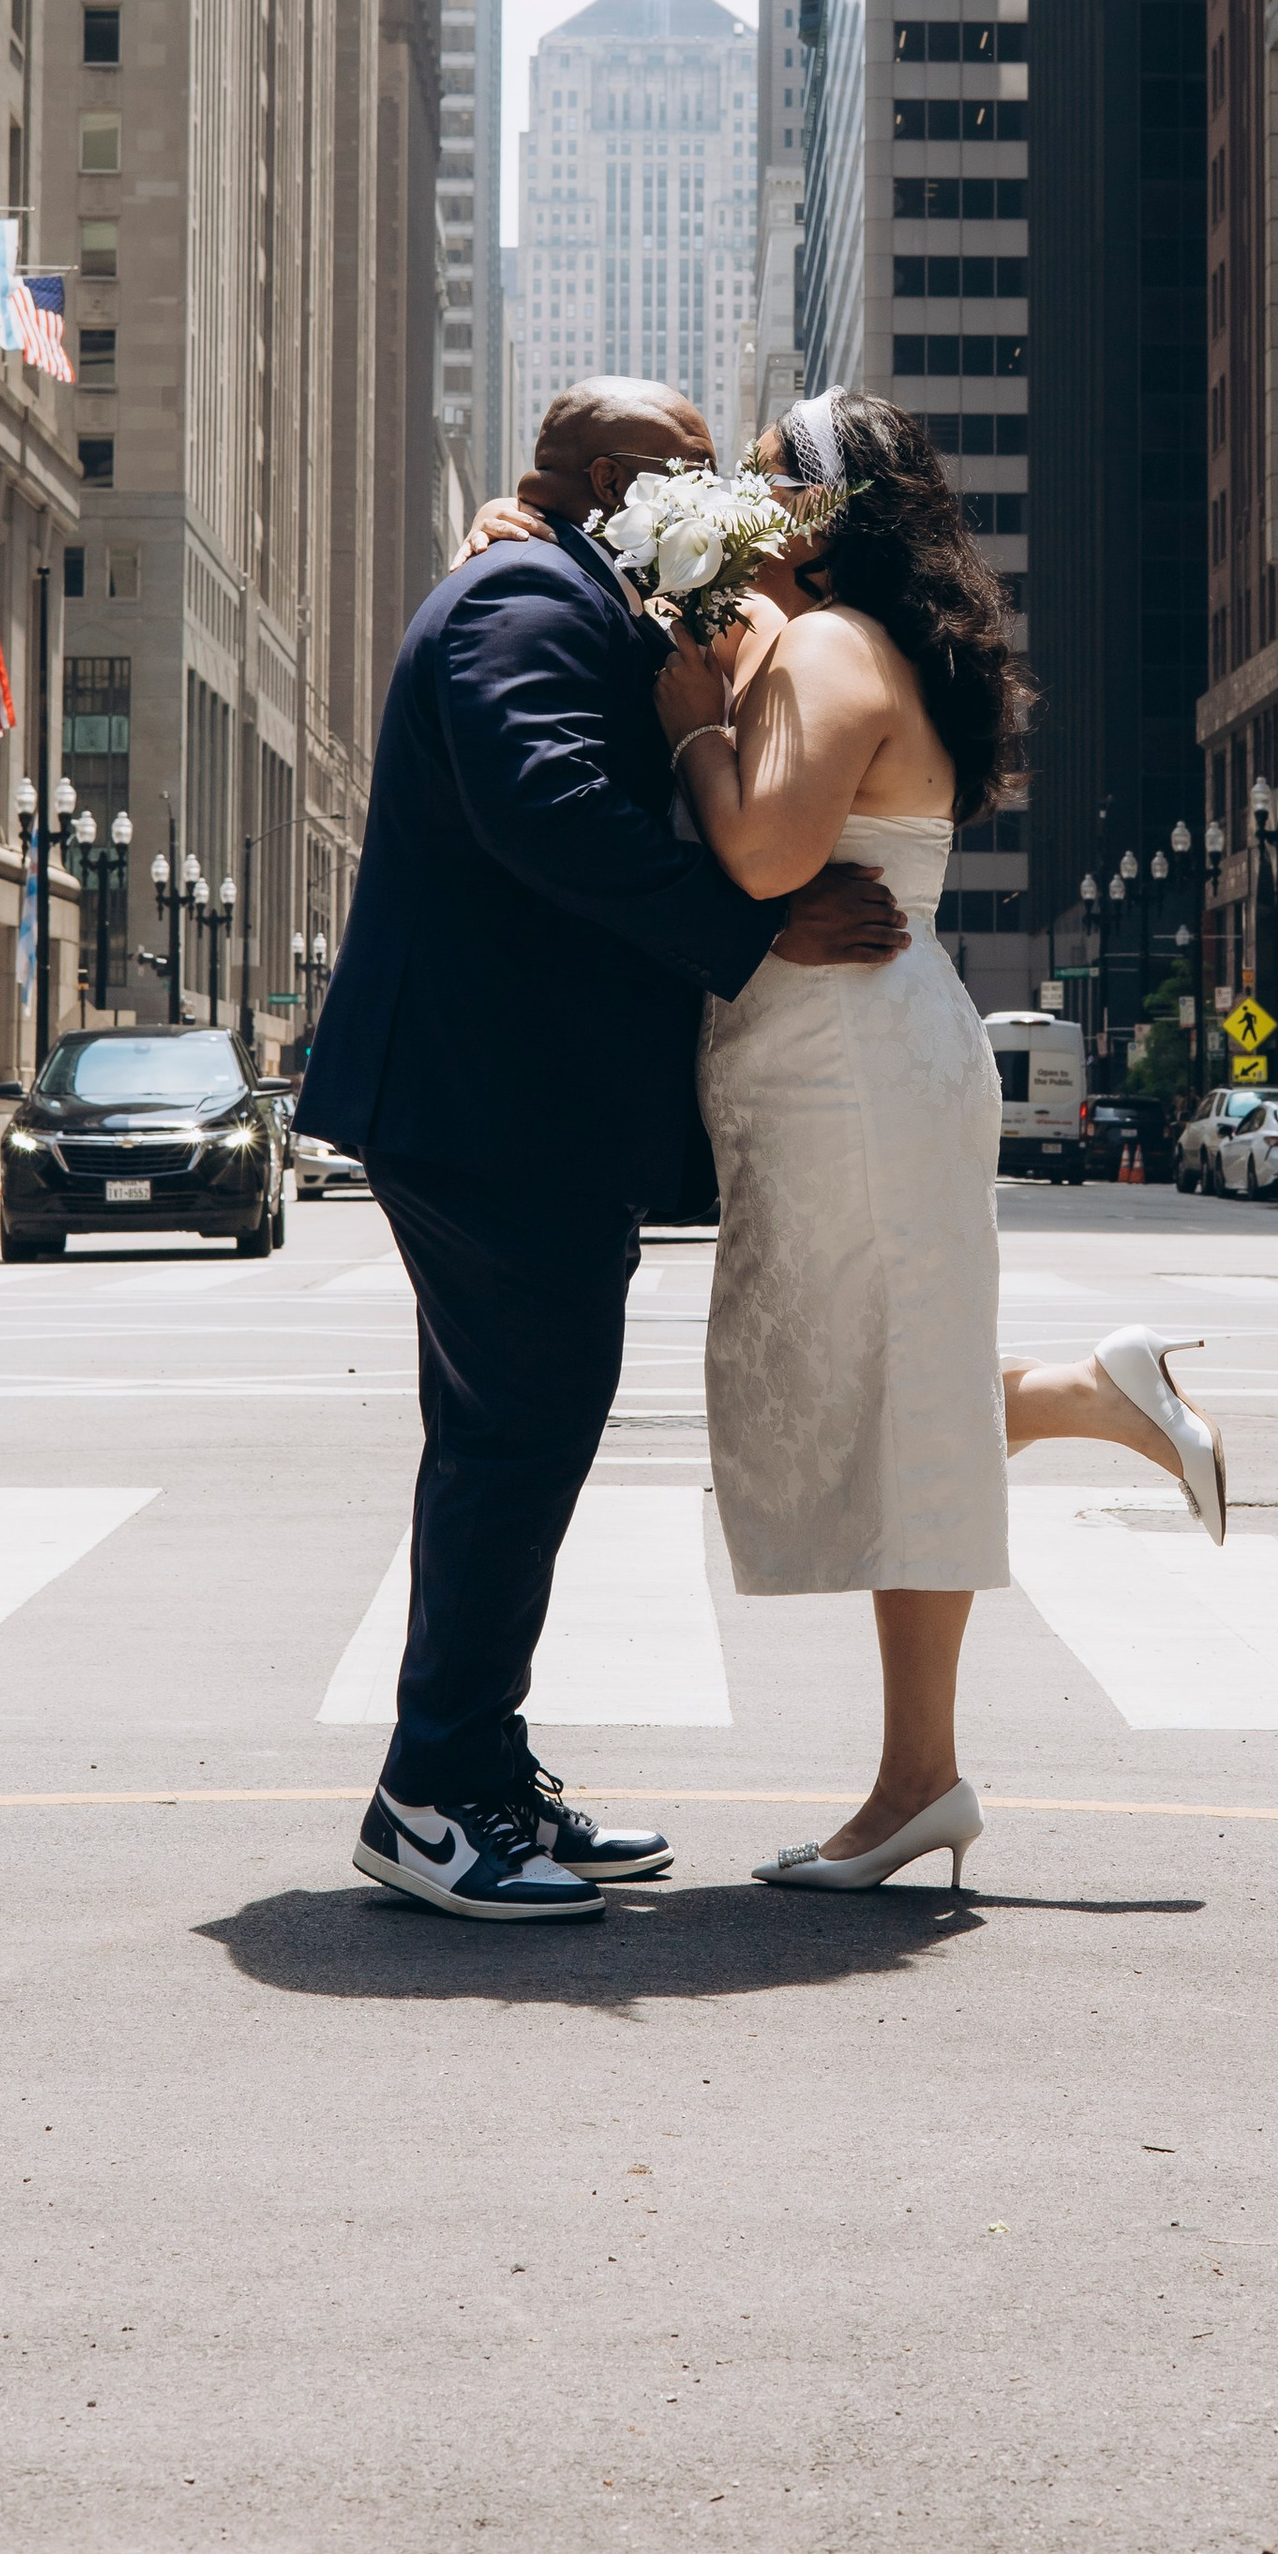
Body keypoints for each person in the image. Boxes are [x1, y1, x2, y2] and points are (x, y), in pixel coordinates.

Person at [465, 389, 1230, 1892]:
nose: (738, 513)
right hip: (843, 1057)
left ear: (825, 517)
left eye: (760, 490)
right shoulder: (833, 643)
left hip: (857, 1068)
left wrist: (695, 738)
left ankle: (920, 1781)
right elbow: (676, 644)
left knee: (879, 1404)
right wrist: (529, 537)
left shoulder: (827, 648)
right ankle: (1085, 1404)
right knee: (868, 1395)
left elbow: (758, 849)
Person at [295, 379, 911, 1925]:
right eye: (699, 475)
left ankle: (473, 1771)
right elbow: (548, 803)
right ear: (621, 480)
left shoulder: (568, 590)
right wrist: (754, 924)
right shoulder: (521, 589)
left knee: (515, 1432)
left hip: (511, 1100)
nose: (724, 504)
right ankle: (436, 1794)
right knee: (520, 1434)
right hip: (485, 1100)